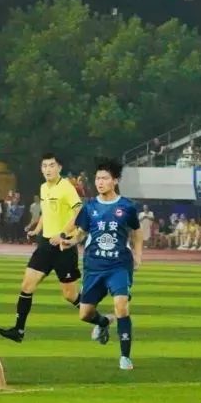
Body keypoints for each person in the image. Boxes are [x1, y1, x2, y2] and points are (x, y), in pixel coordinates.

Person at [61, 158, 143, 370]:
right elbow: (81, 233)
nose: (100, 182)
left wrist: (138, 255)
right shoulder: (90, 206)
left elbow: (137, 232)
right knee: (85, 314)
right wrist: (70, 241)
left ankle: (125, 357)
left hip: (119, 265)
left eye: (105, 178)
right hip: (94, 266)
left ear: (115, 181)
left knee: (121, 306)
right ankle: (103, 322)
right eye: (98, 178)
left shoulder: (127, 206)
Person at [0, 153, 83, 343]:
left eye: (52, 165)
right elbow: (47, 212)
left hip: (64, 246)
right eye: (44, 166)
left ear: (59, 168)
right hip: (45, 245)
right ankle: (18, 330)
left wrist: (62, 234)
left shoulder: (66, 187)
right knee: (27, 286)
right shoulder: (44, 187)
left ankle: (100, 320)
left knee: (70, 295)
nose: (48, 169)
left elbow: (79, 212)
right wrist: (36, 229)